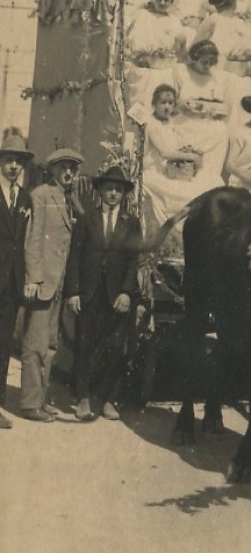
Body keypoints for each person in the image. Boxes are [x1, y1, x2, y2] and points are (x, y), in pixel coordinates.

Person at [64, 163, 141, 422]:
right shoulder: (88, 219)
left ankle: (109, 399)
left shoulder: (131, 223)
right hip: (89, 291)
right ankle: (82, 397)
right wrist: (73, 291)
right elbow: (74, 256)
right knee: (84, 343)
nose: (113, 194)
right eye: (108, 189)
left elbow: (133, 262)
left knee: (117, 346)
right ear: (100, 191)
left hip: (116, 294)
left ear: (123, 194)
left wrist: (127, 292)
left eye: (118, 190)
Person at [20, 148, 84, 422]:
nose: (68, 173)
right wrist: (33, 277)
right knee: (35, 344)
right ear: (52, 170)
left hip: (59, 284)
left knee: (50, 344)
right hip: (43, 281)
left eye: (72, 168)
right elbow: (32, 239)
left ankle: (41, 400)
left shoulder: (71, 199)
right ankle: (29, 403)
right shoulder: (41, 195)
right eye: (63, 168)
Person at [173, 40, 243, 189]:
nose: (208, 66)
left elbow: (225, 107)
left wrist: (216, 110)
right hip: (186, 123)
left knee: (220, 131)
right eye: (204, 62)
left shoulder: (217, 78)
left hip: (210, 125)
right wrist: (181, 104)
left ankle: (209, 182)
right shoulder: (181, 71)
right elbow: (172, 99)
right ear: (194, 57)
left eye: (212, 62)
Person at [0, 129, 33, 430]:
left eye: (18, 162)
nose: (13, 167)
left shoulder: (24, 199)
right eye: (9, 160)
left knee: (3, 343)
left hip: (10, 283)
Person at [142, 85, 207, 224]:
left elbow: (173, 147)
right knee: (185, 195)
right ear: (154, 103)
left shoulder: (168, 123)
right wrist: (192, 157)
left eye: (170, 103)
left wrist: (188, 150)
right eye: (163, 102)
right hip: (154, 173)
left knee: (207, 183)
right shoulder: (151, 124)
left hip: (170, 171)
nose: (167, 107)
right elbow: (165, 153)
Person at [125, 0, 187, 106]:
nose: (162, 2)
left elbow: (179, 46)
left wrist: (169, 52)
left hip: (164, 73)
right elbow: (131, 43)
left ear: (172, 1)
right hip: (143, 72)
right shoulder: (142, 16)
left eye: (166, 0)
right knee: (139, 108)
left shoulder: (174, 21)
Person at [195, 0, 251, 78]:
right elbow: (196, 48)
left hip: (239, 71)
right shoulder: (214, 20)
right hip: (217, 71)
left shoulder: (240, 23)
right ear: (234, 3)